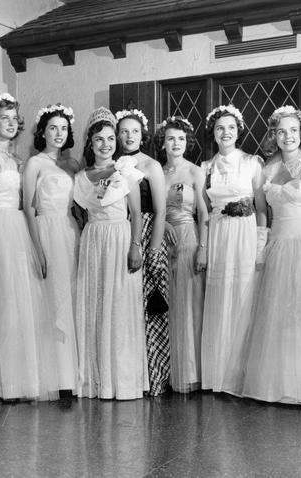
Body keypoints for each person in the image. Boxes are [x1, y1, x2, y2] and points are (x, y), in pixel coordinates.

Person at [241, 106, 301, 403]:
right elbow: (261, 211)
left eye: (293, 130)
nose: (288, 136)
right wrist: (260, 248)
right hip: (277, 244)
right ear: (274, 135)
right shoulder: (266, 169)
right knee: (278, 315)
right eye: (281, 131)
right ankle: (279, 386)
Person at [0, 93, 59, 401]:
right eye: (4, 118)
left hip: (19, 228)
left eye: (14, 119)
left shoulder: (16, 161)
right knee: (4, 302)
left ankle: (21, 380)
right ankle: (2, 384)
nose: (10, 124)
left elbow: (27, 204)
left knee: (21, 303)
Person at [73, 106, 148, 400]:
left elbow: (137, 214)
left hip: (121, 237)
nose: (106, 144)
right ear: (91, 145)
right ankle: (97, 381)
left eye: (110, 138)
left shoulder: (125, 172)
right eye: (99, 140)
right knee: (96, 304)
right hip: (93, 240)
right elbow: (80, 215)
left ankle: (123, 382)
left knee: (119, 305)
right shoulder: (81, 177)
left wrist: (135, 246)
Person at [200, 104, 267, 393]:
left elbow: (263, 209)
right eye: (219, 128)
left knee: (243, 297)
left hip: (245, 234)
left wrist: (261, 245)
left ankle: (242, 376)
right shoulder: (205, 168)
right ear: (213, 134)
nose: (225, 132)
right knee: (220, 296)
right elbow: (203, 212)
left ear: (238, 130)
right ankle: (218, 374)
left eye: (230, 127)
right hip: (219, 234)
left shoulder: (253, 162)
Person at [23, 103, 81, 394]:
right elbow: (28, 209)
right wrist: (37, 249)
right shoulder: (34, 164)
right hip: (46, 230)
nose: (59, 133)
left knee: (71, 297)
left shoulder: (73, 165)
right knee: (52, 299)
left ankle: (73, 376)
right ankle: (55, 378)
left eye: (63, 128)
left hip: (70, 231)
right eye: (52, 128)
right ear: (42, 132)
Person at [116, 108, 169, 395]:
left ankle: (154, 377)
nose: (129, 136)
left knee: (149, 309)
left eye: (134, 131)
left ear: (142, 134)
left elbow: (160, 211)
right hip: (118, 233)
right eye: (123, 131)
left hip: (147, 233)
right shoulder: (112, 163)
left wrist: (154, 251)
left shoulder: (151, 166)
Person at [155, 116, 207, 393]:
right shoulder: (157, 172)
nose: (176, 143)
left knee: (190, 304)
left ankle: (191, 373)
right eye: (171, 138)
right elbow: (153, 210)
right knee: (168, 306)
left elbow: (204, 214)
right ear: (163, 143)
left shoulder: (195, 172)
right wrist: (161, 227)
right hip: (164, 241)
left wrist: (203, 248)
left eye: (182, 139)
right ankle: (167, 370)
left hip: (189, 239)